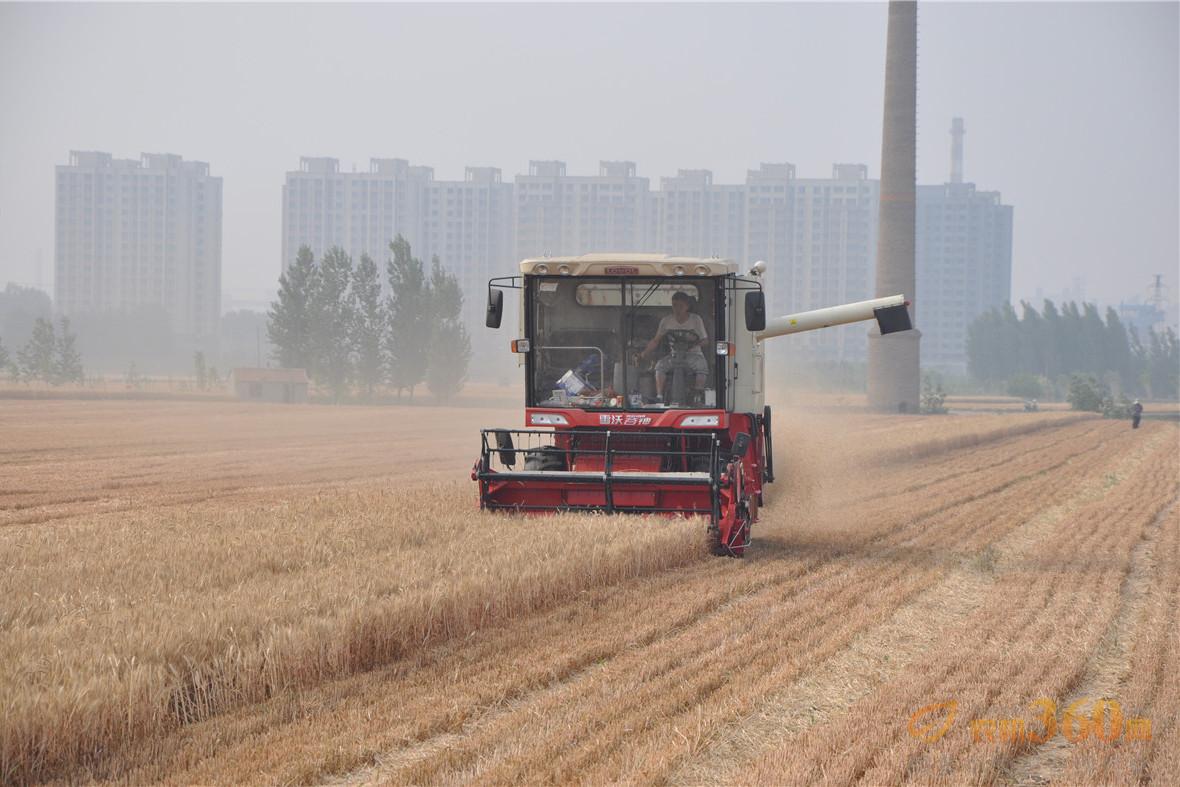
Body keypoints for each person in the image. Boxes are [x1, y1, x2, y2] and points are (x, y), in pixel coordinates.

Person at [640, 291, 709, 402]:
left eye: (680, 306)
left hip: (693, 355)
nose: (677, 309)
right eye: (674, 305)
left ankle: (698, 396)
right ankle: (659, 397)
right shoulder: (666, 321)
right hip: (674, 355)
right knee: (659, 367)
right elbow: (656, 340)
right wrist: (644, 353)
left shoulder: (696, 320)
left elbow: (705, 341)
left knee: (702, 367)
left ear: (687, 306)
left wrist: (692, 346)